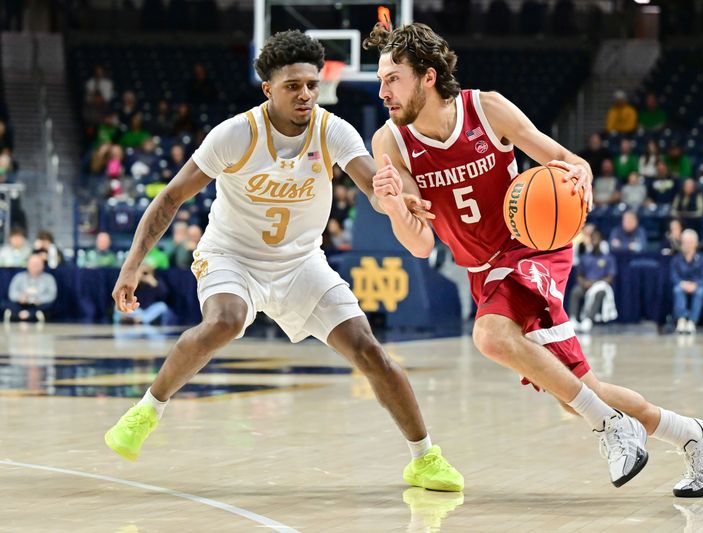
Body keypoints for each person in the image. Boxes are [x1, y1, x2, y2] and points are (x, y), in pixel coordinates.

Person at [366, 21, 703, 496]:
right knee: (577, 392)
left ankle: (612, 427)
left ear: (428, 77)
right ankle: (697, 436)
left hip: (531, 247)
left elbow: (565, 159)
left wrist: (581, 179)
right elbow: (420, 245)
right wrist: (394, 207)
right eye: (379, 80)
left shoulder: (486, 108)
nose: (383, 91)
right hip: (485, 272)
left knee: (490, 335)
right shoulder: (391, 143)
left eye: (393, 78)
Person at [103, 30, 462, 492]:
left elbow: (371, 183)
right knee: (225, 320)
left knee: (368, 349)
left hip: (300, 264)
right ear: (268, 90)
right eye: (293, 85)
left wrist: (396, 199)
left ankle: (424, 457)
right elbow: (170, 198)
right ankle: (147, 410)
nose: (306, 94)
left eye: (312, 84)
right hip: (230, 255)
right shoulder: (235, 134)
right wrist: (132, 264)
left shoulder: (331, 129)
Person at [569, 229, 617, 333]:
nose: (595, 241)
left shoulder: (608, 258)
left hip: (601, 285)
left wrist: (596, 283)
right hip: (586, 285)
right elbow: (579, 275)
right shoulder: (584, 257)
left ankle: (588, 320)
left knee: (599, 292)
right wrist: (584, 283)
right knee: (576, 291)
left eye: (597, 239)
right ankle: (572, 319)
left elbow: (610, 277)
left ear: (602, 241)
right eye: (593, 239)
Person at [670, 229, 703, 335]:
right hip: (682, 284)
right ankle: (681, 320)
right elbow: (673, 276)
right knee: (677, 289)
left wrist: (695, 284)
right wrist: (682, 283)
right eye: (684, 242)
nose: (686, 245)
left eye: (689, 242)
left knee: (700, 292)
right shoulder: (676, 259)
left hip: (697, 285)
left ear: (695, 244)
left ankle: (692, 321)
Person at [113, 261, 175, 325]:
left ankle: (140, 319)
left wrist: (153, 282)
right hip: (135, 309)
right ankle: (138, 319)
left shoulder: (155, 280)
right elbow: (123, 295)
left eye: (145, 272)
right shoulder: (131, 281)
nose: (144, 274)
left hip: (149, 310)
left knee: (162, 306)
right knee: (118, 308)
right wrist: (137, 280)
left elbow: (165, 295)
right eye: (142, 272)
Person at [2, 254, 57, 323]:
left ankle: (28, 314)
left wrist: (38, 299)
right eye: (32, 264)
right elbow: (12, 293)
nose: (35, 266)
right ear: (27, 264)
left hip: (38, 305)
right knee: (4, 303)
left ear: (42, 265)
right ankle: (23, 314)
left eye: (37, 264)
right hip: (21, 303)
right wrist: (20, 297)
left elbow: (51, 295)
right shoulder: (19, 277)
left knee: (49, 306)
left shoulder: (49, 278)